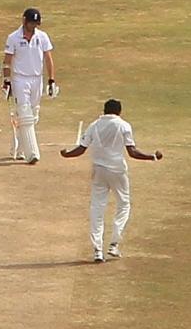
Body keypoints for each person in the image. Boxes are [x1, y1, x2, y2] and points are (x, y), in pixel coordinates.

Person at [60, 99, 163, 262]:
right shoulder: (124, 125)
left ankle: (97, 250)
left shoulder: (94, 125)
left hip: (99, 171)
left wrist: (66, 154)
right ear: (119, 112)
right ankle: (114, 244)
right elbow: (132, 152)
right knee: (124, 204)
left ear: (104, 110)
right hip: (117, 171)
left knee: (97, 208)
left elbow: (81, 149)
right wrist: (152, 157)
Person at [2, 8, 58, 164]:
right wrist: (7, 81)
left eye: (35, 23)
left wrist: (51, 80)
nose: (33, 26)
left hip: (37, 79)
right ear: (24, 21)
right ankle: (29, 152)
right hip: (20, 79)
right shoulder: (13, 37)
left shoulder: (42, 37)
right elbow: (7, 61)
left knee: (33, 116)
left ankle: (18, 149)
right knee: (24, 114)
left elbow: (48, 59)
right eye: (31, 23)